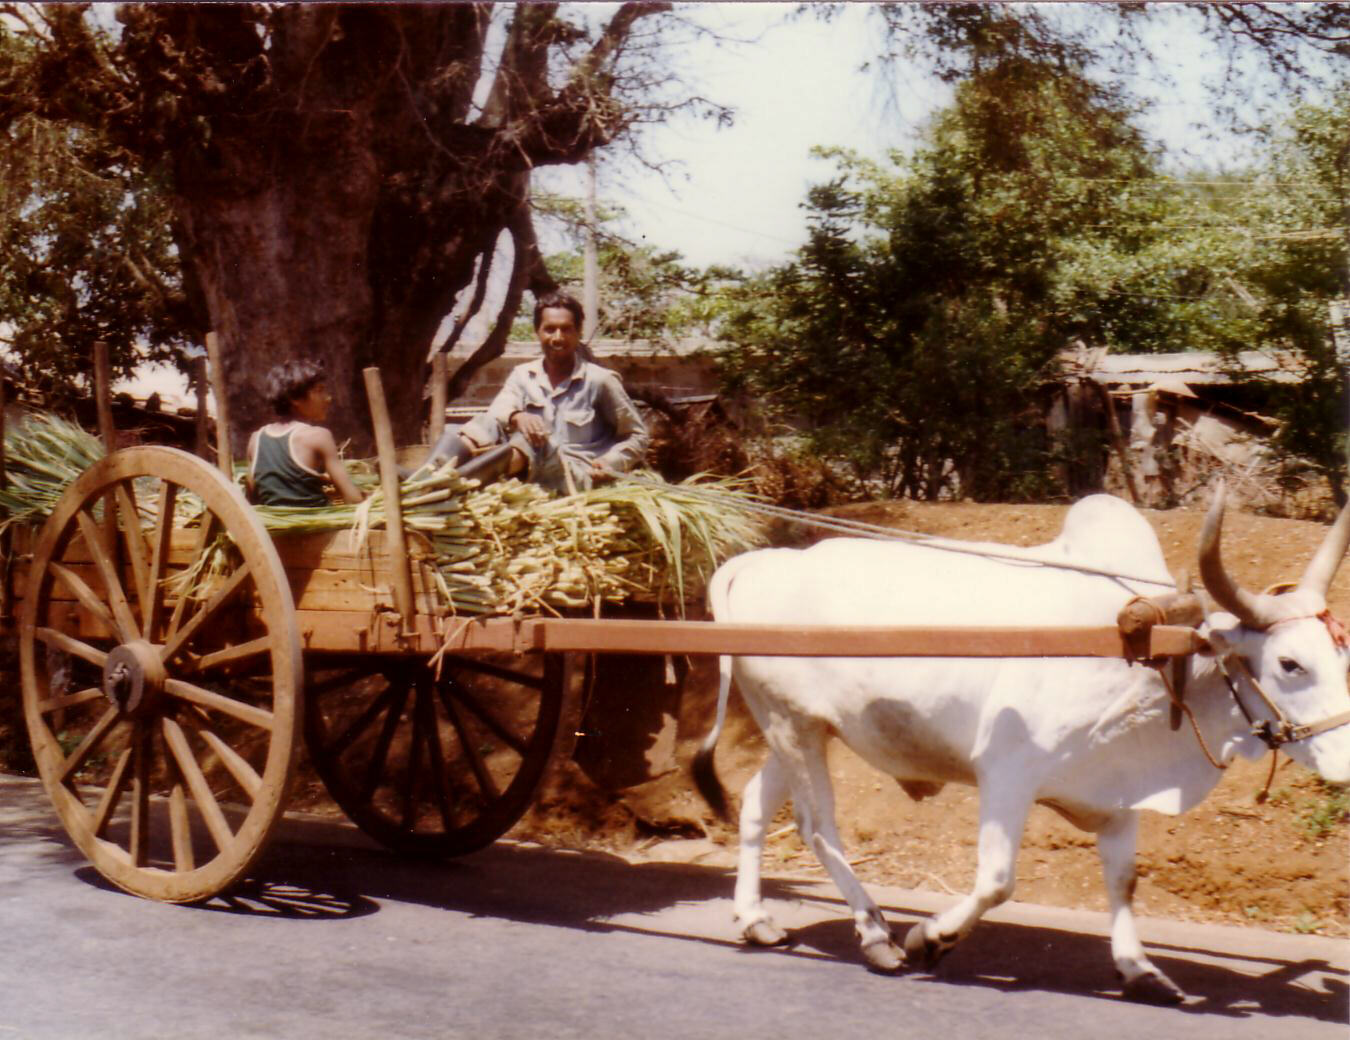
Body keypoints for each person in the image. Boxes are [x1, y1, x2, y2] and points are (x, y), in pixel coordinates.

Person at [429, 291, 649, 493]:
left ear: (578, 332)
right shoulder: (523, 375)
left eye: (566, 329)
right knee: (485, 422)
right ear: (537, 331)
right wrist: (517, 416)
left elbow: (637, 435)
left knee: (535, 443)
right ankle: (428, 477)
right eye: (550, 329)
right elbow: (496, 414)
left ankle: (451, 487)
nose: (558, 337)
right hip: (532, 477)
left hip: (575, 477)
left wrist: (611, 462)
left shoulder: (600, 380)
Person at [247, 359, 364, 506]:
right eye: (319, 390)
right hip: (321, 524)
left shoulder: (255, 439)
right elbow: (353, 499)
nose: (328, 398)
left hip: (275, 525)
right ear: (295, 398)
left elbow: (252, 498)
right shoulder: (319, 436)